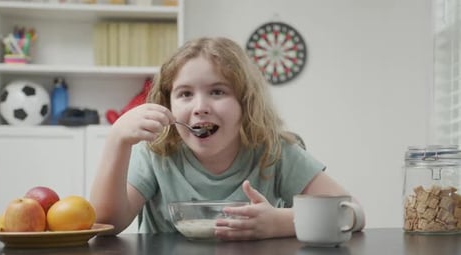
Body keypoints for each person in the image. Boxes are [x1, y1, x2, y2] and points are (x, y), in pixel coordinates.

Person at [90, 37, 365, 240]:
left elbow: (352, 212)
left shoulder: (273, 151)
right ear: (168, 104)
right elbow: (106, 223)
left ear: (246, 103)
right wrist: (117, 141)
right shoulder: (156, 153)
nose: (200, 106)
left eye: (218, 92)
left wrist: (282, 222)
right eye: (185, 94)